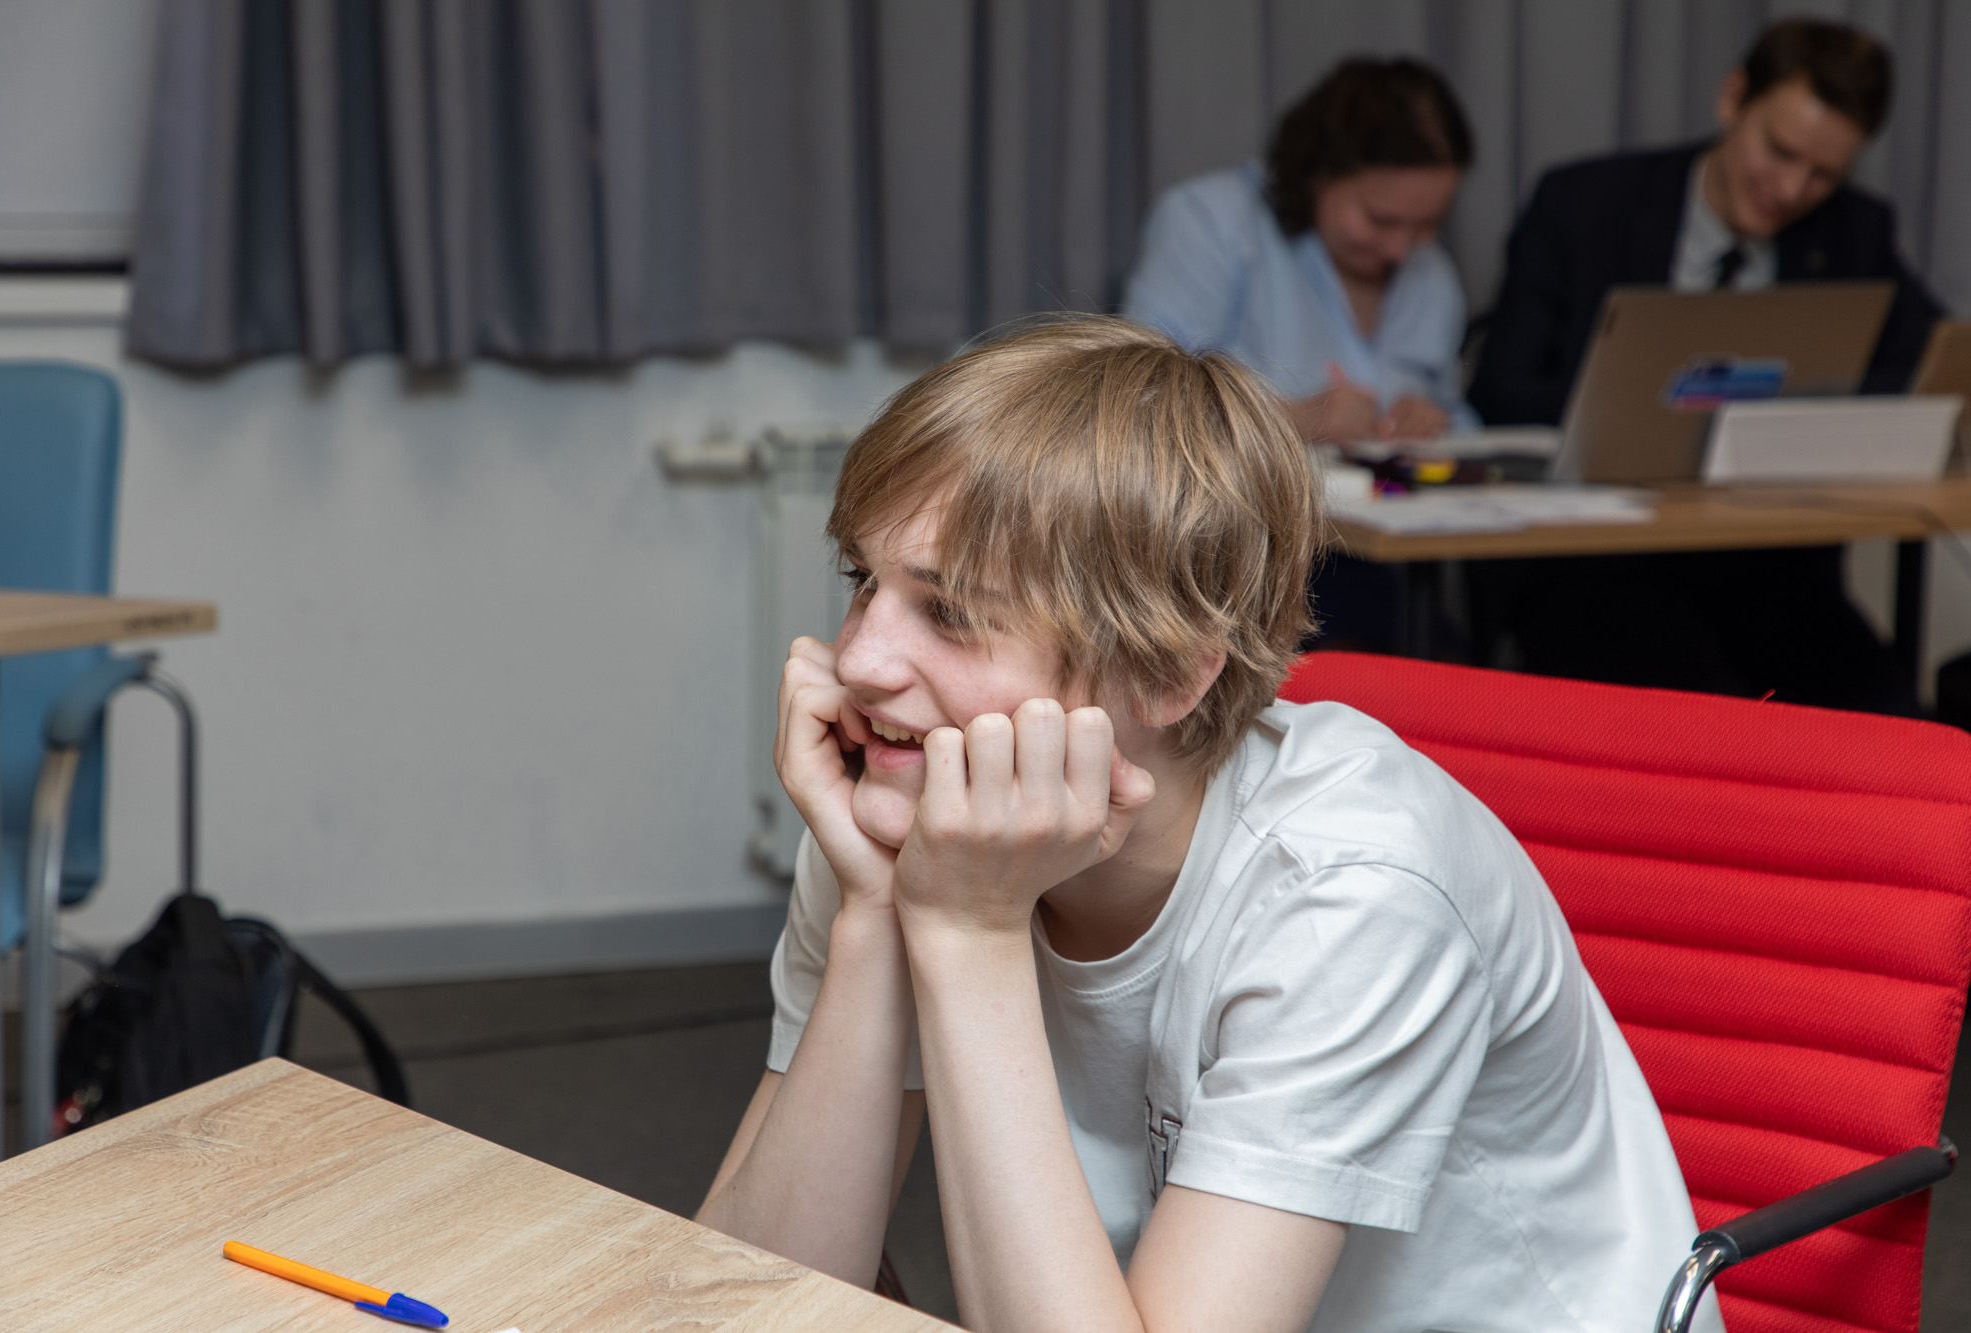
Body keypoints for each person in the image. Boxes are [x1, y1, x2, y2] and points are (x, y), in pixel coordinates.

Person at [696, 317, 1717, 1333]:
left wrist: (967, 934)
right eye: (862, 582)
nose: (859, 660)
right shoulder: (913, 815)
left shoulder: (1351, 888)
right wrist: (880, 910)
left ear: (1168, 672)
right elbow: (746, 1312)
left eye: (951, 613)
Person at [1468, 18, 1943, 710]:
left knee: (1892, 724)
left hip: (1771, 568)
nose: (1791, 188)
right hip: (1598, 563)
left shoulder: (1854, 229)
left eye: (1823, 175)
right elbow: (1500, 387)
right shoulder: (1584, 206)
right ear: (1732, 99)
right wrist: (1629, 411)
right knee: (1706, 720)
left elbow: (1926, 357)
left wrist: (1801, 419)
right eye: (1779, 151)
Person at [1125, 56, 1478, 445]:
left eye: (1428, 224)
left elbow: (1460, 417)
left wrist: (1432, 419)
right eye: (1380, 220)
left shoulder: (1434, 274)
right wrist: (1292, 422)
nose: (1400, 250)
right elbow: (1142, 407)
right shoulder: (1211, 224)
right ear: (1317, 176)